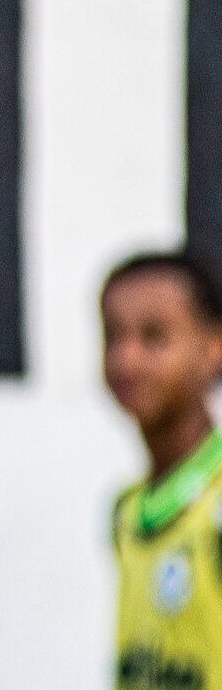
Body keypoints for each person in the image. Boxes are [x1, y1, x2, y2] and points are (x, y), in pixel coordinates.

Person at [102, 252, 222, 689]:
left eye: (154, 337)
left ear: (213, 347)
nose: (126, 359)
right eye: (113, 336)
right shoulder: (128, 511)